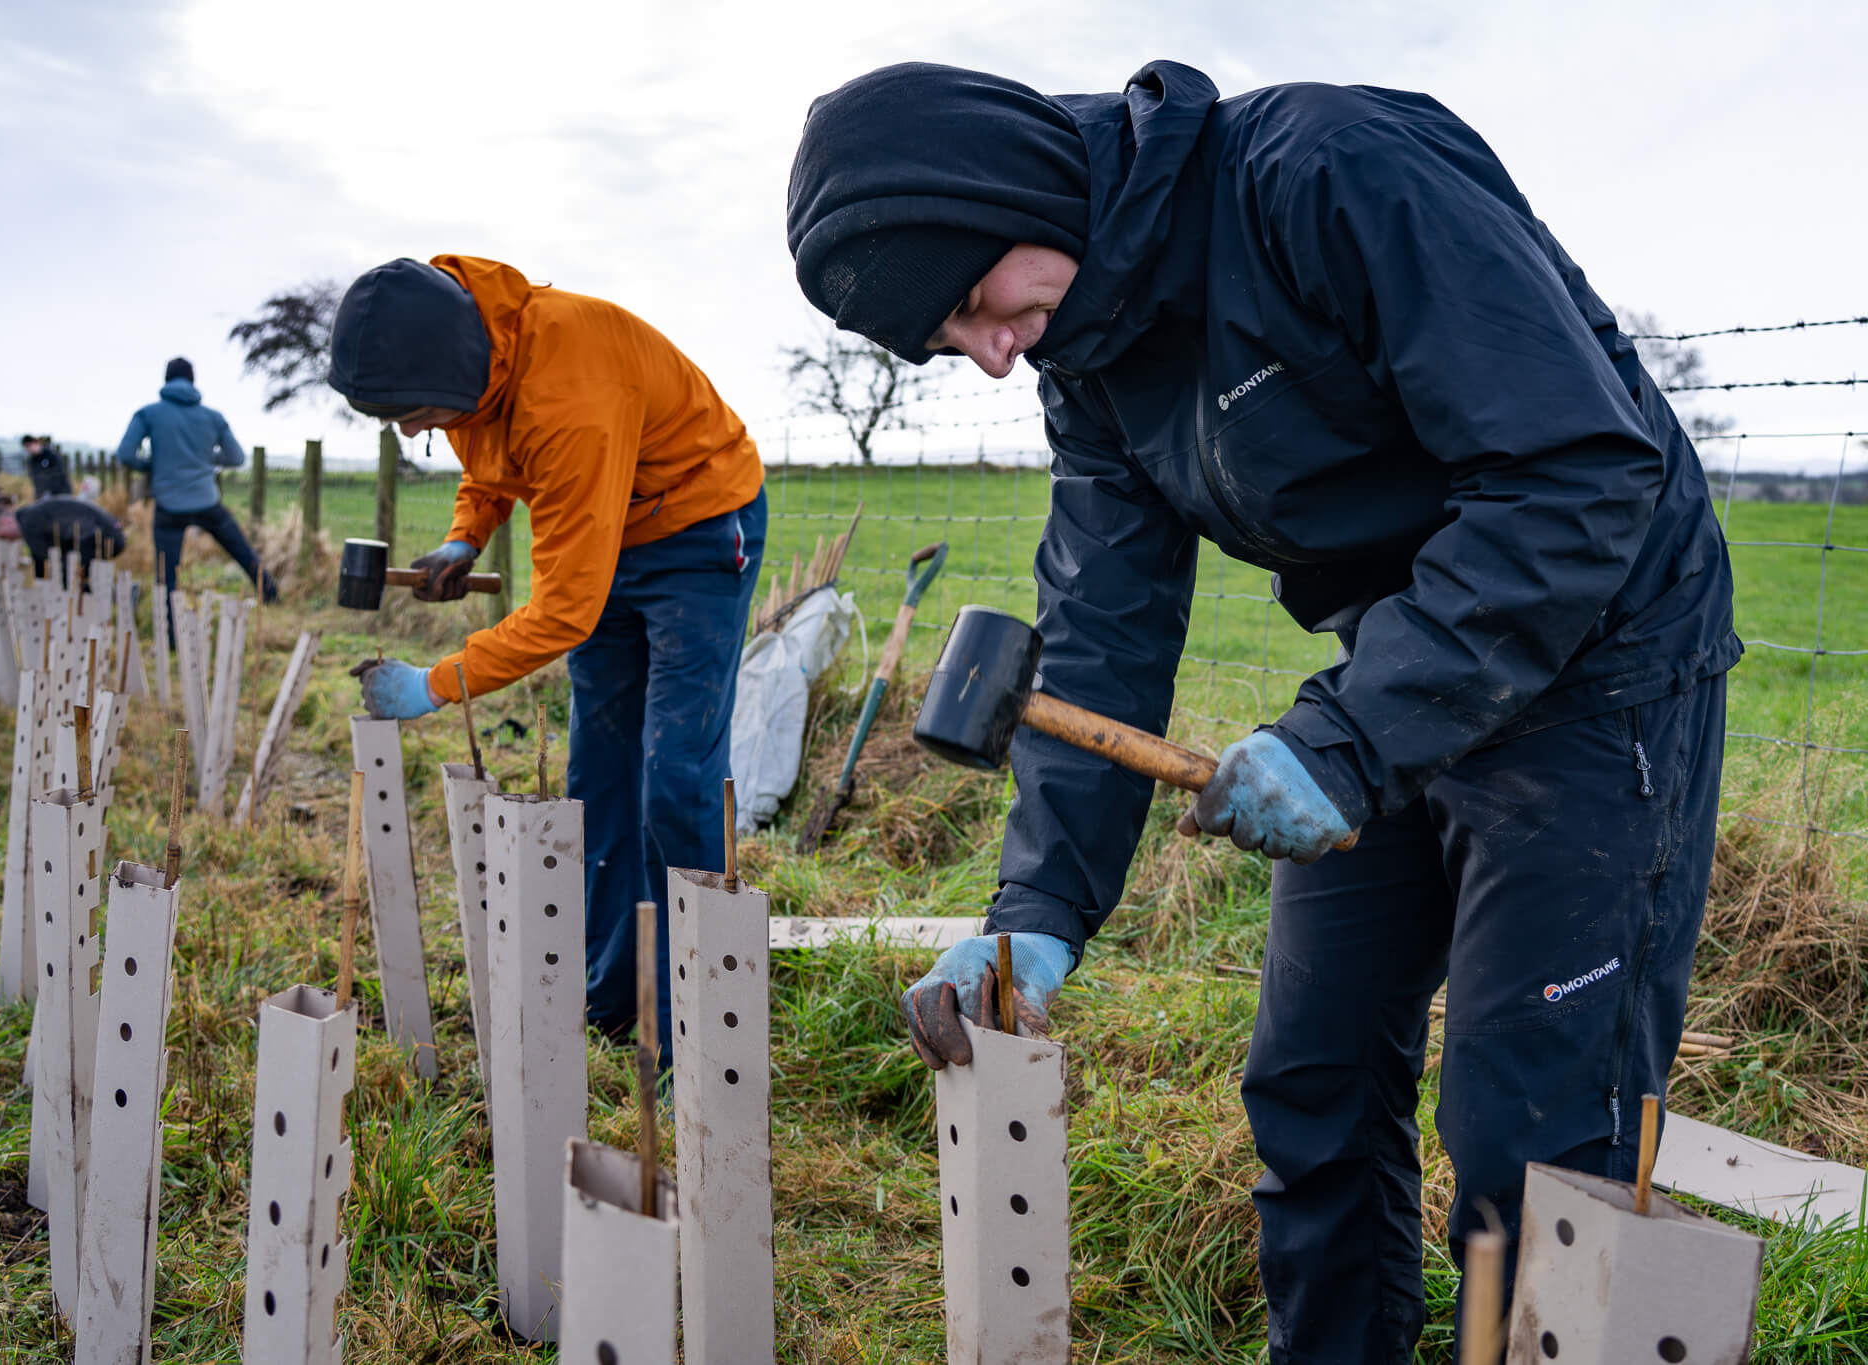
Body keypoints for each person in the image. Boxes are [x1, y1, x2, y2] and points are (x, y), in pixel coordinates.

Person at [788, 62, 1737, 1363]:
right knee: (1313, 1078)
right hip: (1396, 664)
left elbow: (1574, 474)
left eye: (971, 303)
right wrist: (1037, 916)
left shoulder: (1325, 173)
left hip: (1598, 652)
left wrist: (1348, 741)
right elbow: (1103, 641)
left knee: (1536, 1141)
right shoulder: (1093, 354)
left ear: (1006, 191)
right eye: (951, 341)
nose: (992, 351)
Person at [326, 256, 766, 1052]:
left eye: (414, 412)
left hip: (699, 533)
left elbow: (564, 611)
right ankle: (613, 991)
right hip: (606, 524)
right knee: (597, 773)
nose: (412, 431)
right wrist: (466, 532)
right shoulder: (471, 351)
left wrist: (434, 684)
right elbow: (486, 449)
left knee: (673, 778)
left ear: (451, 369)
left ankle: (695, 1027)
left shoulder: (571, 394)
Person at [113, 357, 276, 633]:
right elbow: (236, 458)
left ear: (166, 380)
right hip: (206, 501)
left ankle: (170, 633)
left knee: (167, 573)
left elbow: (126, 454)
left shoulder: (149, 414)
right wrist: (204, 459)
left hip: (168, 504)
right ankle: (271, 594)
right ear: (193, 380)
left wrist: (153, 463)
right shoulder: (213, 417)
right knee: (240, 549)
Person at [0, 493, 125, 582]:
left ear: (5, 522)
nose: (9, 541)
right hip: (106, 533)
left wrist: (40, 592)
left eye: (3, 537)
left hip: (102, 536)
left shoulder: (28, 523)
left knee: (66, 577)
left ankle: (118, 596)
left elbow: (43, 562)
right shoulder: (31, 514)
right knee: (71, 576)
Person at [22, 434, 72, 498]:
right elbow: (35, 480)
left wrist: (51, 492)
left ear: (36, 442)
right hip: (43, 496)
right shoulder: (32, 461)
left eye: (30, 445)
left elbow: (59, 475)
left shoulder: (52, 455)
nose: (29, 449)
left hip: (60, 493)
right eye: (27, 447)